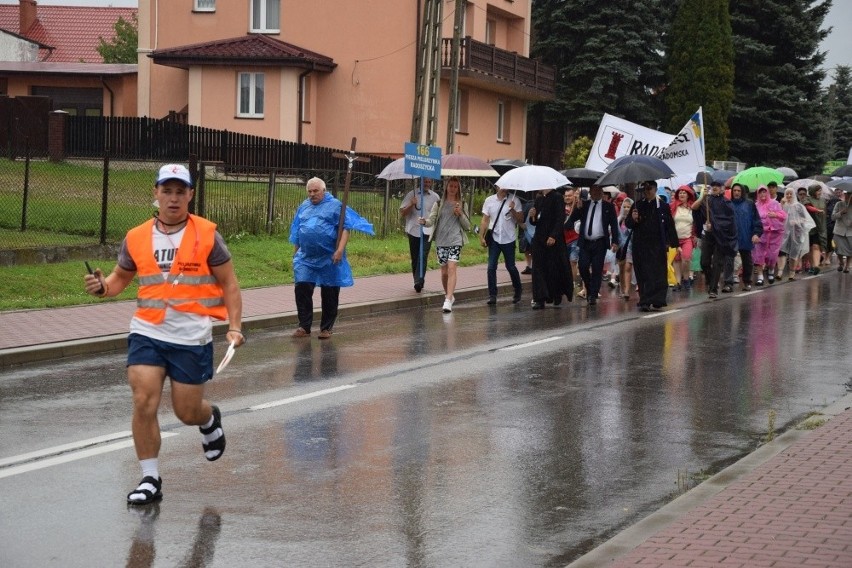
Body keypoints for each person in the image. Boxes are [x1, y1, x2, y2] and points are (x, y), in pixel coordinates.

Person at [83, 164, 245, 506]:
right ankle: (150, 479)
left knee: (186, 412)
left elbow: (229, 283)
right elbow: (119, 279)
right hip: (148, 330)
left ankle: (208, 418)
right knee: (143, 401)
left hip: (190, 336)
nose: (173, 198)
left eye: (179, 191)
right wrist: (102, 287)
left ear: (190, 195)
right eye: (166, 190)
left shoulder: (207, 234)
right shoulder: (136, 237)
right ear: (155, 194)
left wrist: (235, 326)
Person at [290, 177, 374, 338]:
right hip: (306, 257)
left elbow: (345, 228)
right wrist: (296, 252)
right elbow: (297, 230)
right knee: (302, 288)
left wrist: (340, 250)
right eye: (309, 191)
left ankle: (326, 328)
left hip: (328, 257)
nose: (312, 194)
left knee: (329, 291)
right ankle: (304, 326)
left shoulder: (335, 206)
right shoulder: (304, 207)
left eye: (315, 191)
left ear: (324, 191)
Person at [625, 180, 678, 311]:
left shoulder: (663, 206)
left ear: (654, 189)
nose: (647, 192)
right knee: (643, 273)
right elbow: (628, 224)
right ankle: (645, 300)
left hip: (657, 244)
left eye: (649, 189)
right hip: (641, 244)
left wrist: (674, 242)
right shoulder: (638, 205)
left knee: (657, 272)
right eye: (645, 190)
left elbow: (669, 225)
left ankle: (658, 299)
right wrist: (633, 218)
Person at [566, 184, 620, 306]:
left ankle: (593, 294)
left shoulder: (608, 207)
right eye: (593, 190)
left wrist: (615, 241)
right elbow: (571, 220)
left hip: (600, 242)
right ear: (590, 192)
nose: (596, 193)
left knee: (597, 268)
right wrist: (577, 207)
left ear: (601, 192)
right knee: (583, 266)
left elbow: (614, 225)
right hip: (585, 242)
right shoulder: (584, 205)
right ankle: (589, 288)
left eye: (598, 190)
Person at [423, 177, 471, 313]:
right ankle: (449, 295)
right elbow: (431, 220)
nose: (453, 189)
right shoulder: (439, 203)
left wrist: (460, 214)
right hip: (441, 241)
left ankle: (448, 299)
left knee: (452, 268)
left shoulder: (462, 203)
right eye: (451, 186)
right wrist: (424, 222)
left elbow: (467, 226)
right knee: (444, 272)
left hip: (455, 240)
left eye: (456, 187)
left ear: (458, 189)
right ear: (447, 187)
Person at [528, 186, 573, 309]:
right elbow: (535, 221)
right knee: (538, 267)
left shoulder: (557, 197)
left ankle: (556, 294)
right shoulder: (538, 199)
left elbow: (560, 218)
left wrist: (553, 235)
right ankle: (539, 298)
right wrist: (532, 216)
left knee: (553, 268)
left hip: (553, 238)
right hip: (539, 238)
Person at [479, 185, 524, 304]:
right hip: (494, 238)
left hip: (509, 238)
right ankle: (492, 295)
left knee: (511, 266)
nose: (504, 188)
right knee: (491, 267)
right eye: (502, 186)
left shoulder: (514, 200)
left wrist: (513, 210)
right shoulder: (489, 200)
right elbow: (485, 219)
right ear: (496, 186)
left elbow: (520, 219)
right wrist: (481, 236)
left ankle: (518, 289)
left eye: (507, 186)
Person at [693, 180, 738, 299]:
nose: (715, 188)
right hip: (707, 236)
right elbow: (694, 207)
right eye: (713, 186)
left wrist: (715, 225)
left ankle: (713, 289)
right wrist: (702, 196)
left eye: (718, 186)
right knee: (704, 262)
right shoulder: (707, 200)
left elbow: (729, 221)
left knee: (717, 263)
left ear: (722, 188)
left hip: (721, 237)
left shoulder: (727, 203)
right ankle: (710, 280)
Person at [399, 178, 440, 292]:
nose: (427, 184)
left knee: (423, 255)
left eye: (429, 182)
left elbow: (438, 214)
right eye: (425, 182)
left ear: (431, 183)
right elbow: (402, 213)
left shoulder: (435, 197)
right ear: (420, 182)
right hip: (414, 230)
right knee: (415, 257)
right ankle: (416, 280)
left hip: (427, 230)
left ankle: (419, 281)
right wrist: (411, 204)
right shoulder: (412, 194)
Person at [727, 183, 763, 291]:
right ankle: (728, 283)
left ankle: (747, 282)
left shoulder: (749, 204)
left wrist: (756, 233)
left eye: (738, 191)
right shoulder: (728, 204)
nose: (736, 193)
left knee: (747, 261)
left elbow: (756, 220)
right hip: (732, 237)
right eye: (734, 191)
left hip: (746, 236)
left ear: (742, 192)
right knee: (729, 260)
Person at [777, 187, 815, 279]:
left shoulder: (799, 206)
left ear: (794, 195)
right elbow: (778, 216)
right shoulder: (782, 205)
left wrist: (796, 221)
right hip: (784, 233)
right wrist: (781, 205)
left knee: (794, 254)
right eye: (787, 194)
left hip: (796, 234)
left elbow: (805, 219)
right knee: (781, 251)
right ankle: (780, 272)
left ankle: (792, 272)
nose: (789, 195)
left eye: (791, 194)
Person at [753, 185, 785, 284]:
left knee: (772, 256)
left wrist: (775, 215)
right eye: (760, 192)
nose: (762, 194)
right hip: (761, 233)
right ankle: (760, 276)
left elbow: (783, 215)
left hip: (774, 234)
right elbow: (753, 218)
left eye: (764, 192)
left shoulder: (775, 203)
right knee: (758, 255)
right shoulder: (755, 205)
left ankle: (771, 271)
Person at [669, 185, 696, 290]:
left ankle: (686, 279)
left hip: (688, 238)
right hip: (675, 238)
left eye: (684, 192)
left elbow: (696, 222)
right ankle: (678, 283)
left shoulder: (692, 207)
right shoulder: (672, 206)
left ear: (688, 195)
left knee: (686, 258)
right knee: (676, 260)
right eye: (680, 192)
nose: (682, 194)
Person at [801, 183, 827, 274]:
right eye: (818, 190)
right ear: (813, 191)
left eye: (820, 190)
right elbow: (807, 207)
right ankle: (812, 265)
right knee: (808, 248)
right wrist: (817, 210)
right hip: (808, 227)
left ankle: (816, 266)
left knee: (816, 246)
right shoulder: (807, 199)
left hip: (819, 227)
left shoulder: (823, 200)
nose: (820, 192)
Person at [562, 187, 582, 296]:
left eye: (570, 196)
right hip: (563, 239)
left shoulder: (577, 207)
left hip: (575, 238)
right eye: (566, 196)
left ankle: (573, 282)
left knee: (573, 261)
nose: (567, 198)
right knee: (565, 263)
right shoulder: (561, 208)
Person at [616, 197, 635, 300]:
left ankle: (627, 290)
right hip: (621, 247)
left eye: (629, 207)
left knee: (628, 267)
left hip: (631, 247)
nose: (627, 209)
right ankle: (622, 289)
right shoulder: (619, 220)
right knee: (621, 268)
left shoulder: (633, 219)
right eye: (625, 207)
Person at [831, 186, 852, 273]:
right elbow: (833, 217)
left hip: (850, 232)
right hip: (839, 231)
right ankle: (841, 262)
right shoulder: (839, 204)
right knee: (837, 248)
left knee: (850, 249)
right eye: (848, 195)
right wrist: (841, 212)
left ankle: (847, 265)